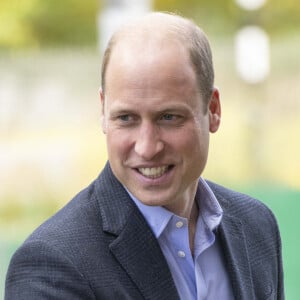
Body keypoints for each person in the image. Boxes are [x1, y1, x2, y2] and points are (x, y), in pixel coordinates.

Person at [5, 12, 284, 300]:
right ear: (103, 111)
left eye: (168, 117)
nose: (147, 147)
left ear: (213, 110)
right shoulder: (52, 267)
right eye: (126, 118)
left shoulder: (257, 225)